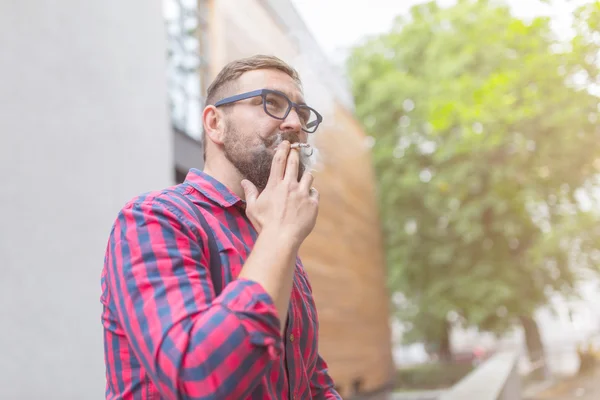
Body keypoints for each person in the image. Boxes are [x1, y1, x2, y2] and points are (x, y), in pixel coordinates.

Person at [100, 54, 342, 399]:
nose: (293, 123)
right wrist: (279, 237)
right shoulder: (154, 219)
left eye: (301, 113)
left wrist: (277, 236)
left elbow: (311, 384)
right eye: (270, 103)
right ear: (215, 124)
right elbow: (198, 380)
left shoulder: (274, 235)